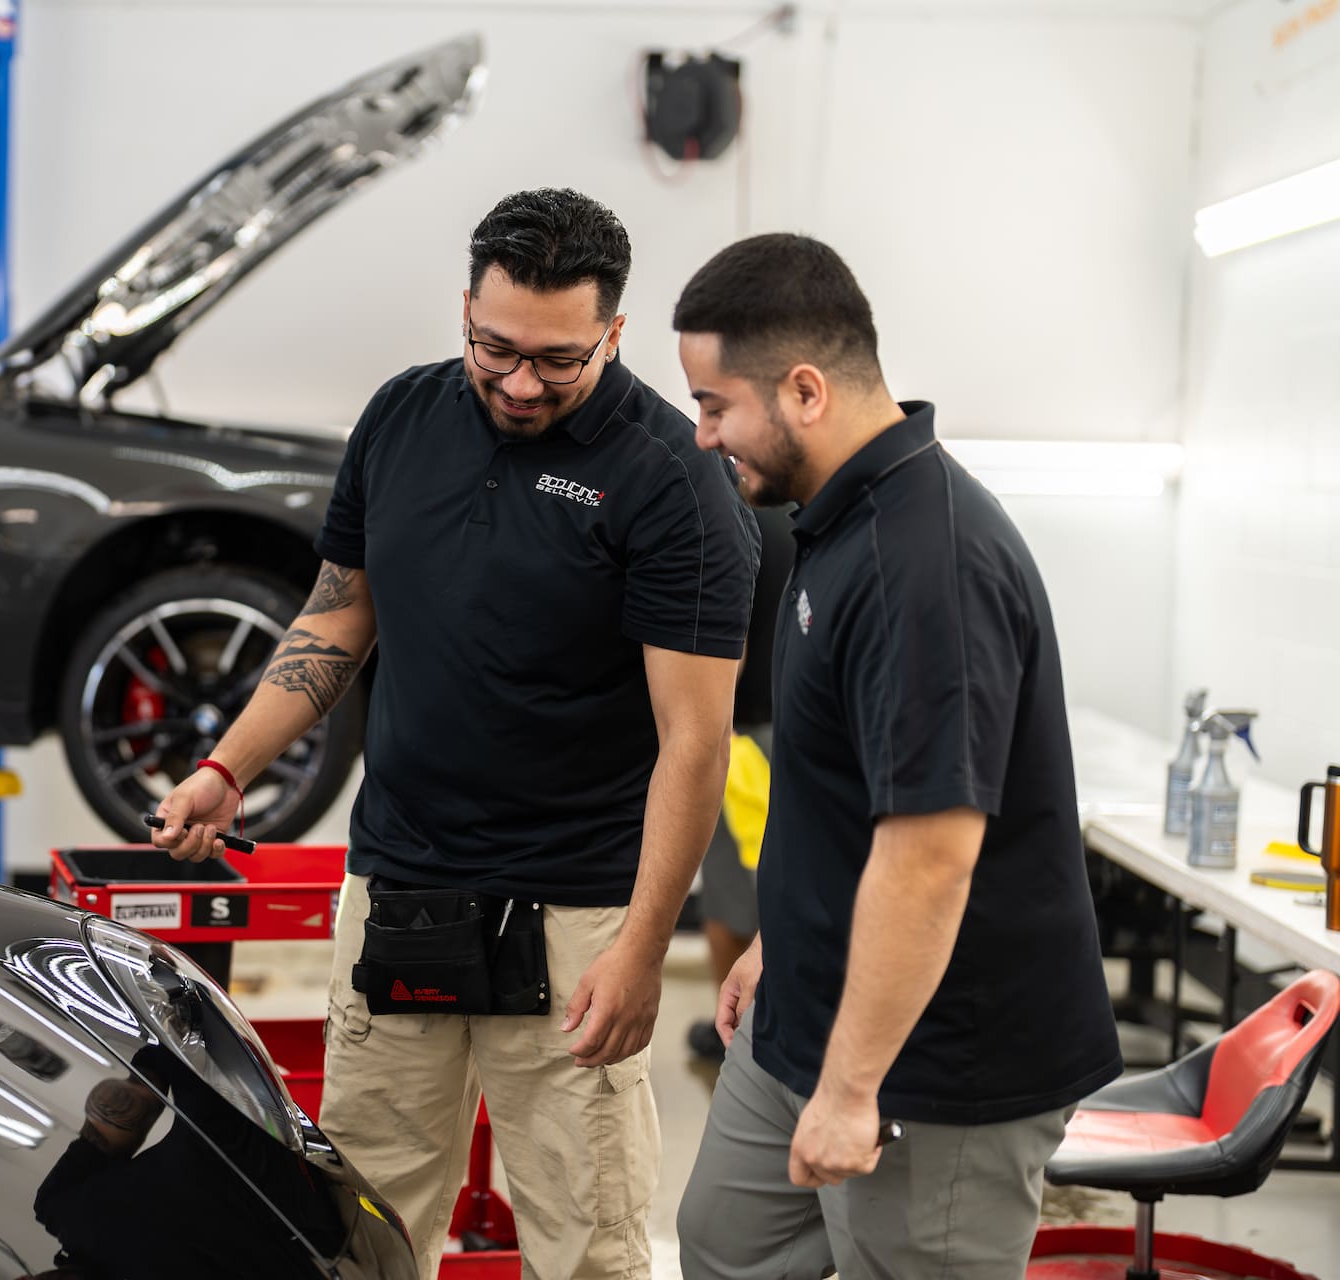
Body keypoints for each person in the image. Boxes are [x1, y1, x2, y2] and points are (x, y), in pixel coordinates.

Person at [151, 187, 758, 1278]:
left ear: (614, 333)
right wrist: (227, 764)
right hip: (401, 892)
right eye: (496, 347)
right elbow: (339, 612)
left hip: (577, 916)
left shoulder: (673, 482)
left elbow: (695, 742)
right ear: (466, 310)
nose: (522, 381)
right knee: (357, 1235)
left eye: (559, 360)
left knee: (586, 1245)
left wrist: (641, 948)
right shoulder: (400, 418)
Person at [669, 233, 1122, 1280]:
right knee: (723, 1246)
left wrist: (850, 1086)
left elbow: (929, 859)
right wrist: (786, 938)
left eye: (715, 405)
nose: (701, 435)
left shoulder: (932, 566)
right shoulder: (838, 521)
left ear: (806, 391)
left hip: (934, 1063)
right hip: (808, 1013)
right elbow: (844, 789)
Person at [686, 501, 794, 1061]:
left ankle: (735, 1029)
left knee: (732, 896)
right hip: (797, 732)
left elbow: (731, 647)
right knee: (780, 883)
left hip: (746, 740)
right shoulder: (808, 517)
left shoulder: (733, 520)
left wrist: (695, 742)